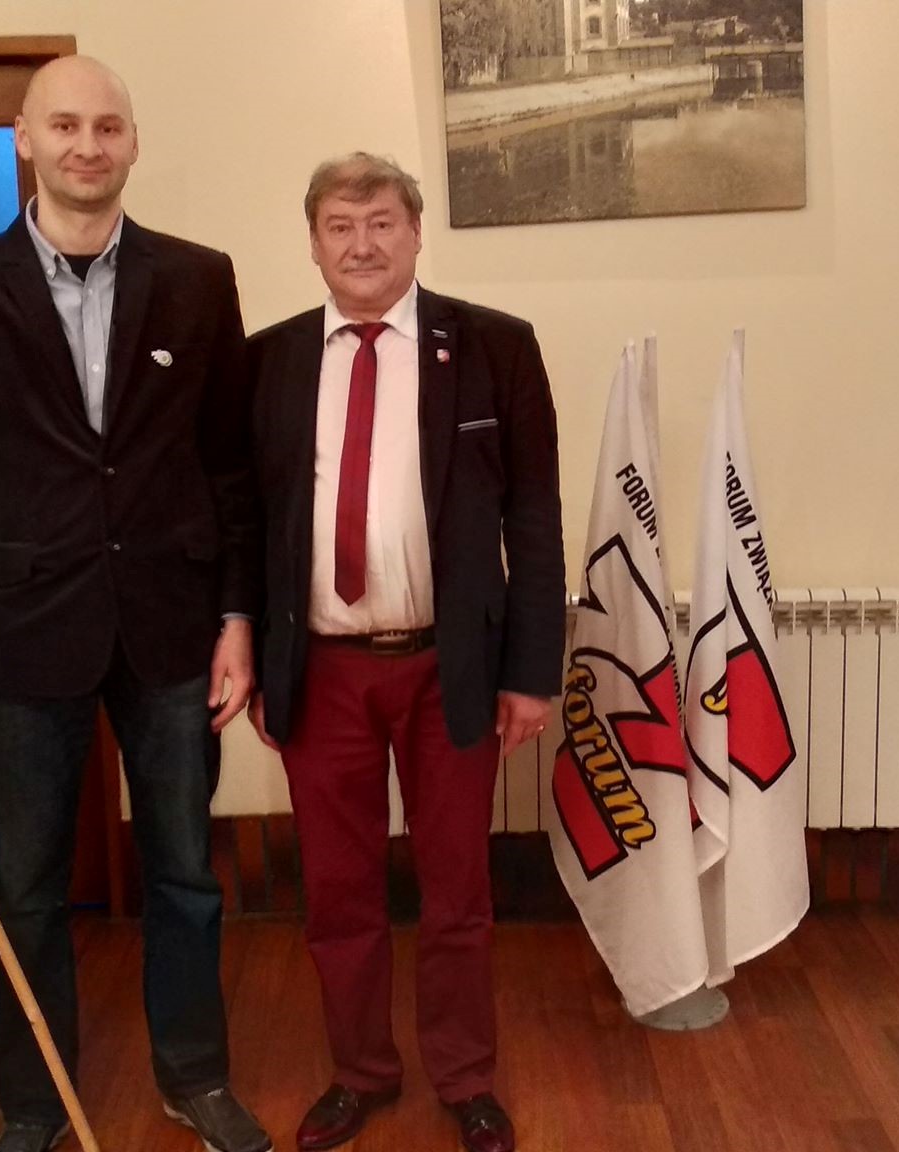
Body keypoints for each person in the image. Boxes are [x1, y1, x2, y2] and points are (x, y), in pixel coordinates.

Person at [0, 55, 270, 1152]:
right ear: (25, 141)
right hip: (22, 631)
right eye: (64, 125)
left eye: (106, 126)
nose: (86, 146)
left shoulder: (198, 279)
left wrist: (238, 618)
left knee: (184, 872)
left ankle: (194, 1077)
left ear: (132, 142)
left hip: (172, 630)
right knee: (30, 888)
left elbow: (229, 469)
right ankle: (36, 1104)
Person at [246, 152, 565, 1152]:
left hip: (450, 670)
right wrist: (249, 653)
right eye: (339, 226)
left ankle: (464, 1076)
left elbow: (534, 518)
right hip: (321, 671)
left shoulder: (494, 346)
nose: (362, 244)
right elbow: (243, 522)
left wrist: (531, 673)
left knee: (456, 890)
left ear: (416, 232)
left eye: (381, 221)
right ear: (312, 243)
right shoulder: (268, 361)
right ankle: (360, 1073)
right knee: (337, 893)